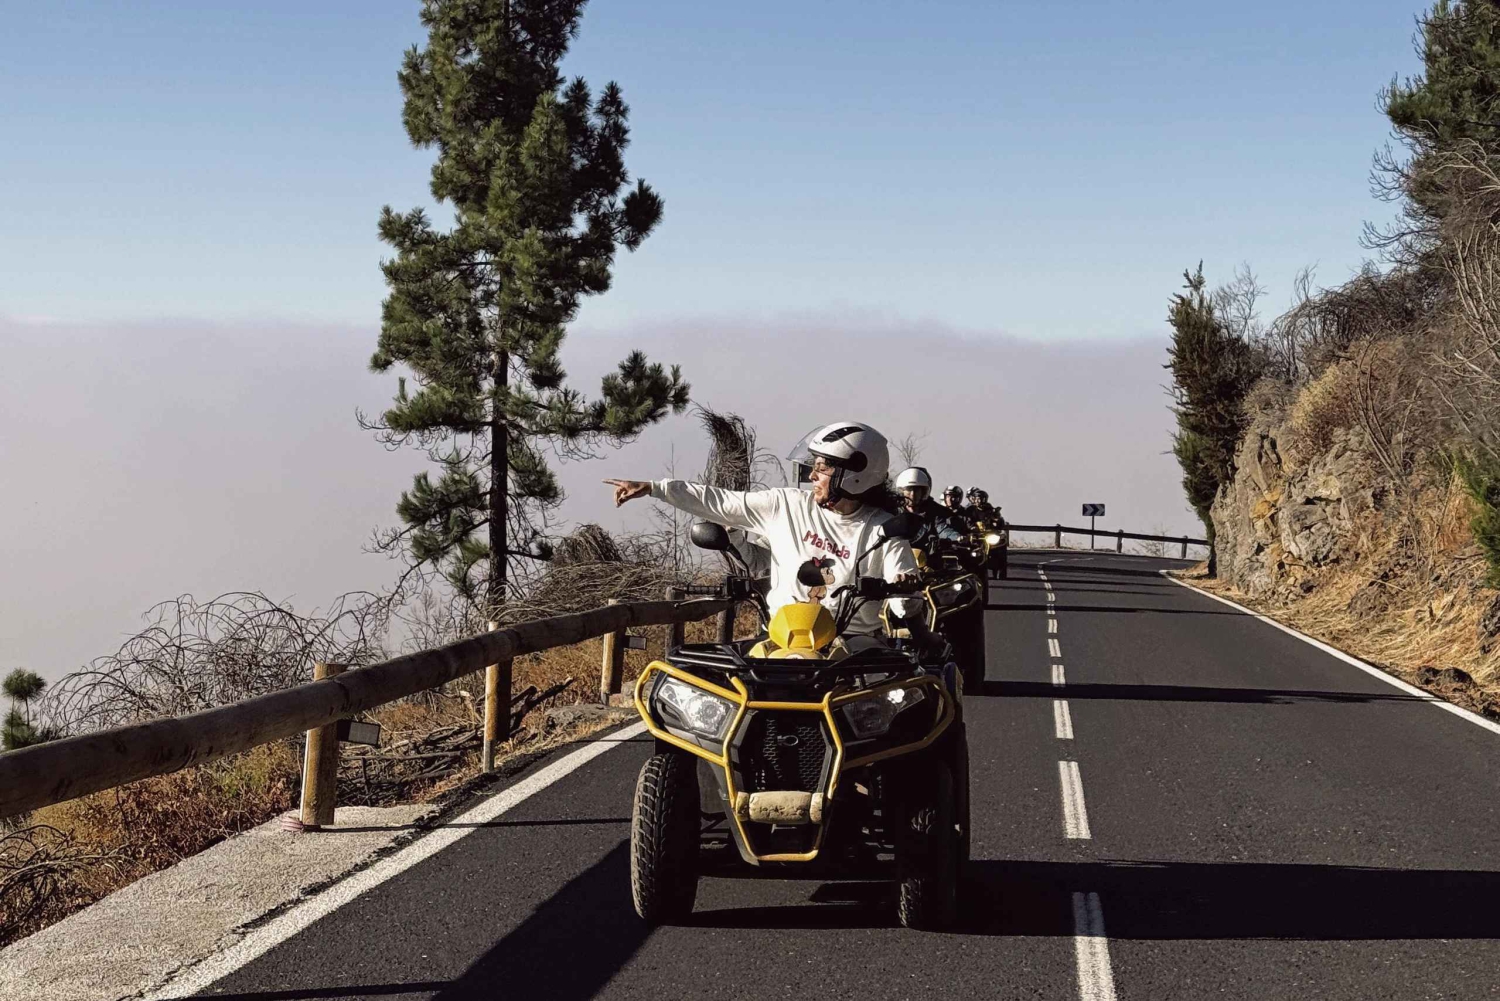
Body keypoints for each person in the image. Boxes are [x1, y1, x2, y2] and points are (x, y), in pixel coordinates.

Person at [605, 421, 917, 637]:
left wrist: (903, 589)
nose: (812, 476)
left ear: (854, 474)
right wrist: (655, 488)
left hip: (852, 644)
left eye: (822, 468)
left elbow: (905, 600)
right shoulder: (786, 505)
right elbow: (720, 502)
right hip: (782, 639)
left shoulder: (883, 529)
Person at [894, 467, 965, 554]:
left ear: (923, 492)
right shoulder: (893, 511)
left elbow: (942, 528)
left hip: (926, 556)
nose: (912, 494)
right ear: (901, 491)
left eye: (917, 490)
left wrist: (957, 537)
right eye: (909, 490)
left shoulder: (932, 511)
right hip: (898, 554)